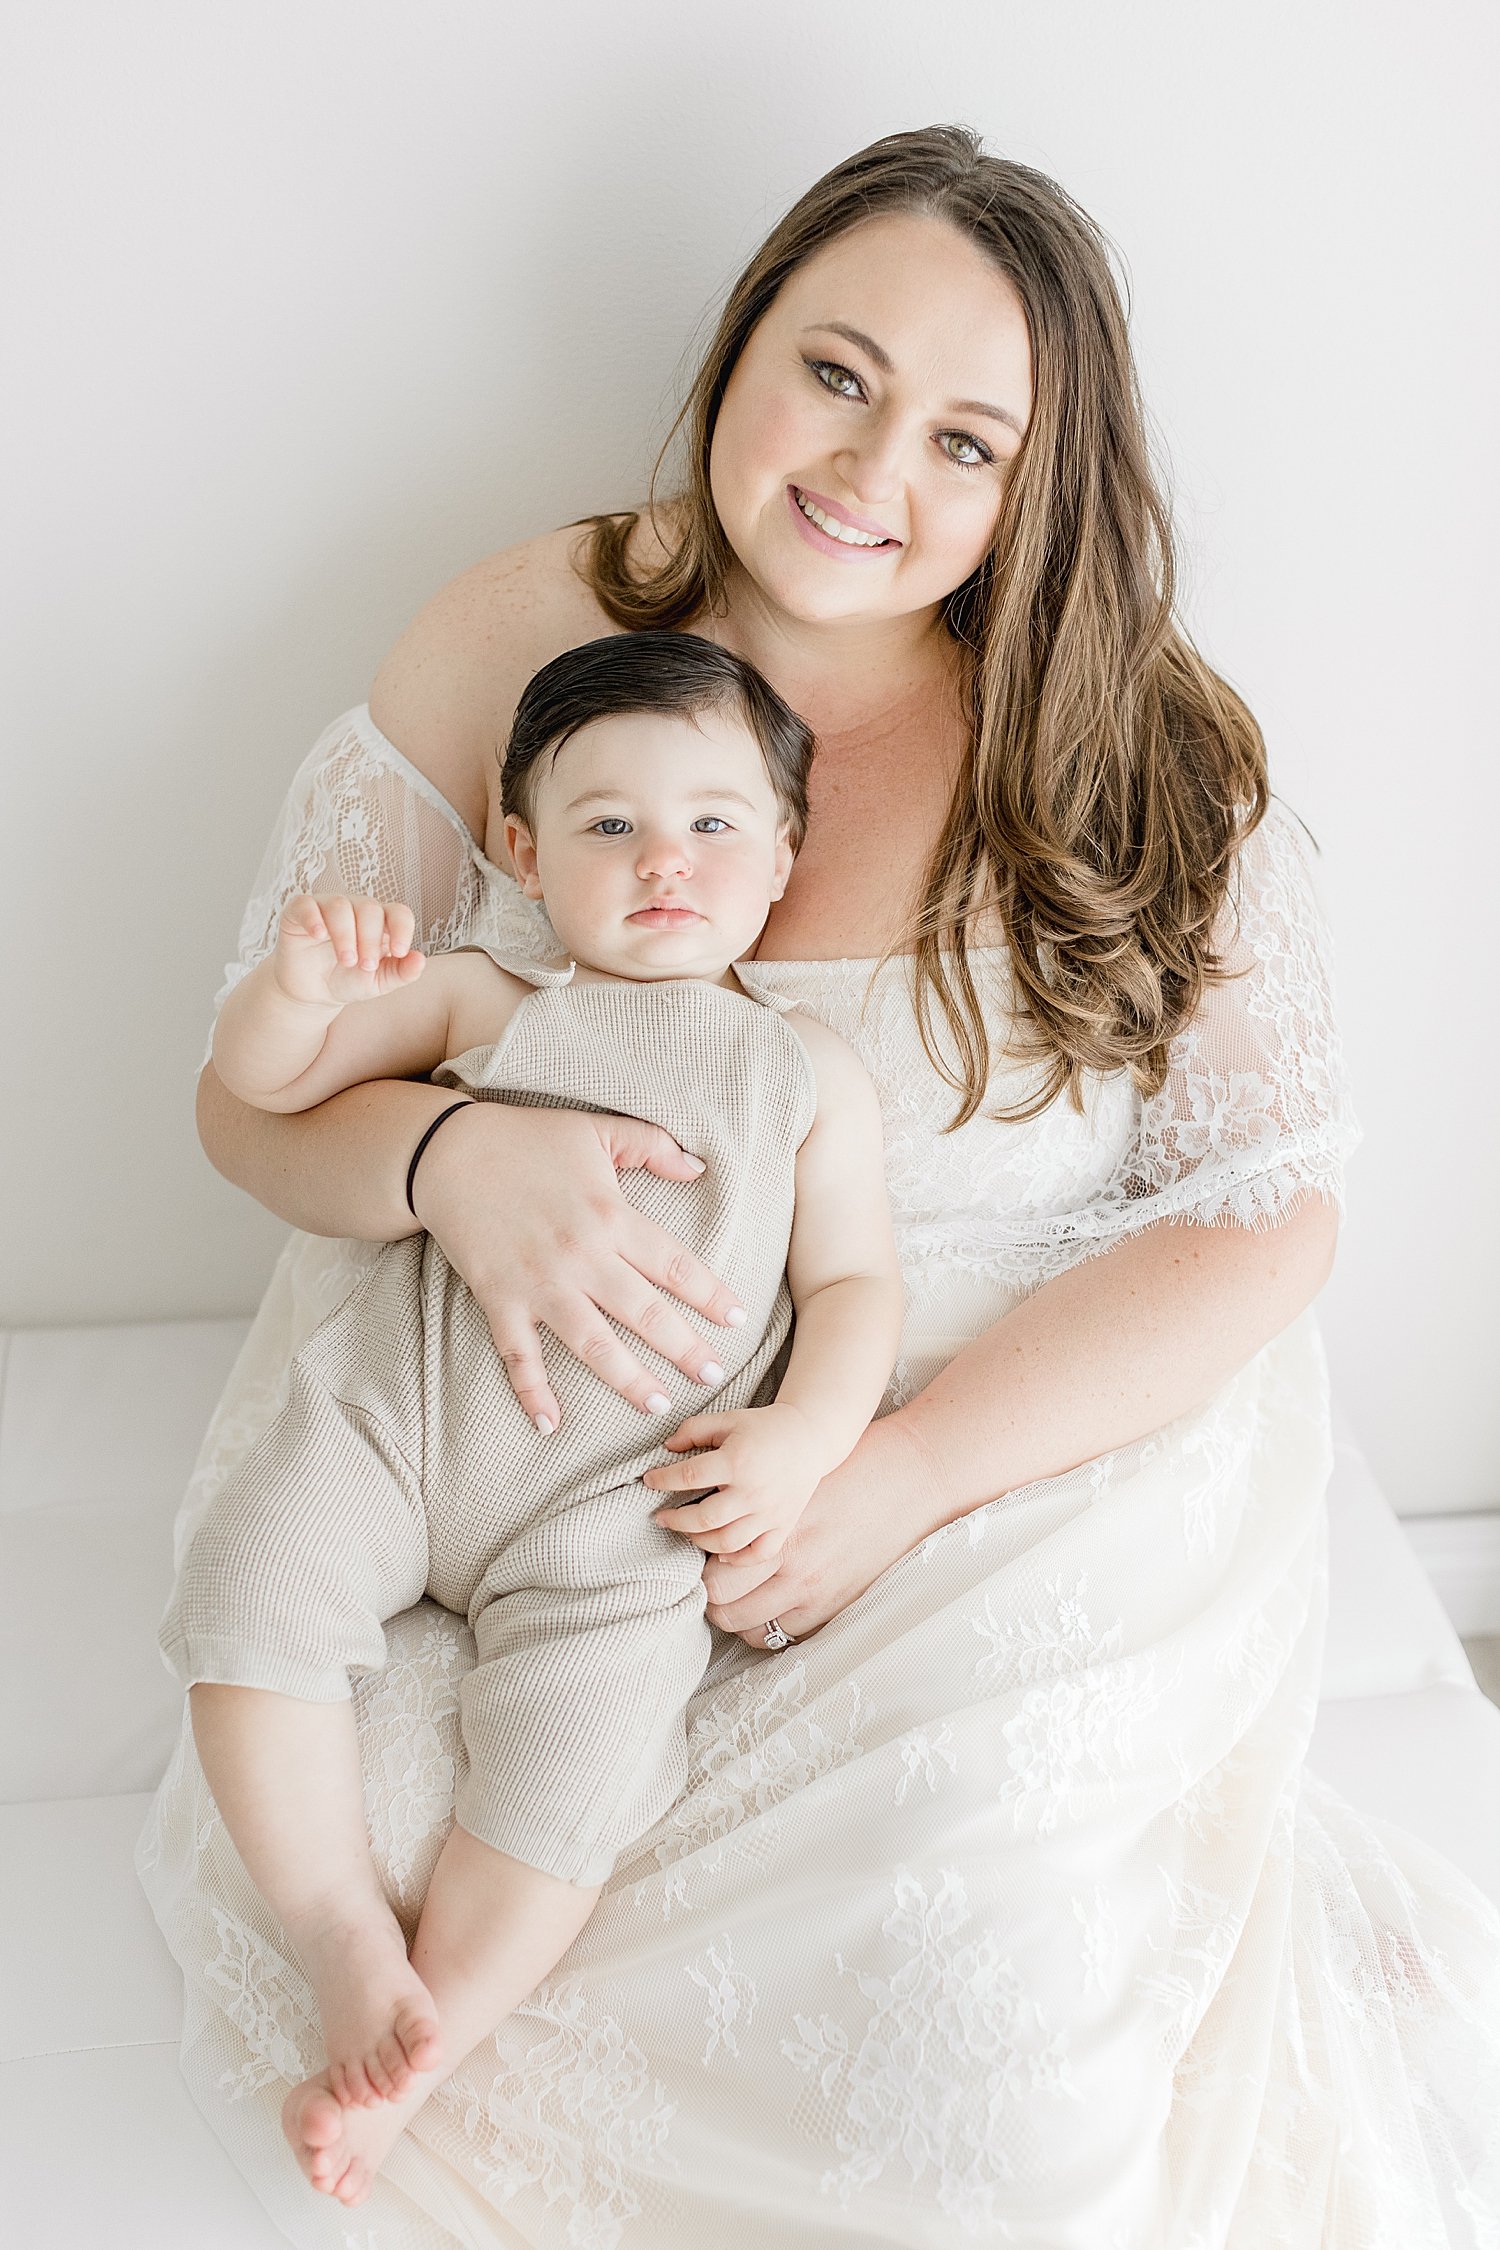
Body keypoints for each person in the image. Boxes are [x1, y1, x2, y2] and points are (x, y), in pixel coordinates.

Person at [137, 123, 1500, 2247]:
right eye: (837, 373)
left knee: (975, 2016)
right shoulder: (536, 630)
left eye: (971, 440)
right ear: (739, 343)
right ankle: (392, 2040)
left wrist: (890, 1469)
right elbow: (258, 1089)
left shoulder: (1125, 738)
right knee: (362, 1804)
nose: (875, 475)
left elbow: (1267, 1212)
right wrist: (443, 1156)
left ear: (1039, 486)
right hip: (519, 1405)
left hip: (969, 1425)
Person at [157, 630, 903, 2202]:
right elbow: (273, 1083)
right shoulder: (493, 995)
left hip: (623, 1497)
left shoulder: (806, 1074)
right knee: (247, 1578)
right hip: (399, 1420)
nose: (662, 863)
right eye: (606, 824)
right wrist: (294, 993)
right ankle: (337, 1927)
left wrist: (805, 1435)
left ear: (781, 857)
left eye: (712, 823)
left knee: (579, 1753)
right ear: (523, 851)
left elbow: (855, 1292)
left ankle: (430, 2025)